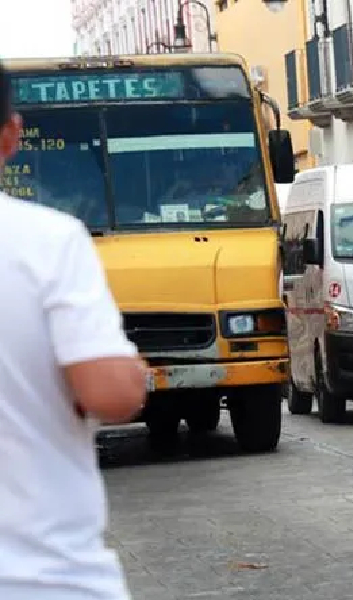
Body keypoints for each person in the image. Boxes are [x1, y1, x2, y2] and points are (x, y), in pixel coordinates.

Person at [0, 61, 147, 600]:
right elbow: (110, 395)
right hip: (44, 579)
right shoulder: (49, 242)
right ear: (12, 135)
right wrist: (133, 370)